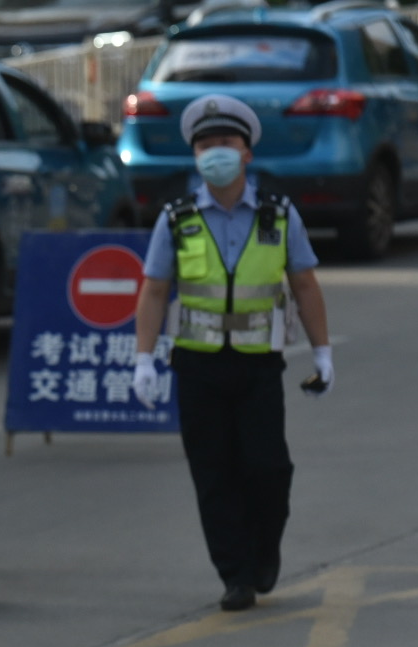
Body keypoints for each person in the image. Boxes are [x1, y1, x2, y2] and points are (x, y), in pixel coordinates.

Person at [131, 94, 333, 613]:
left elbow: (305, 283)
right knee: (213, 472)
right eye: (204, 145)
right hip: (197, 366)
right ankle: (235, 575)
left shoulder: (278, 215)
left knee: (268, 468)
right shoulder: (176, 218)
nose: (214, 152)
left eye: (225, 143)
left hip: (257, 364)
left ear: (246, 153)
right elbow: (154, 289)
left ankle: (265, 550)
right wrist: (143, 357)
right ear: (193, 156)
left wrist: (322, 352)